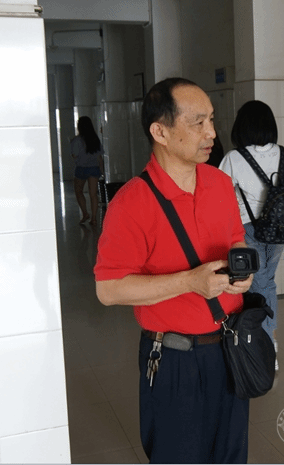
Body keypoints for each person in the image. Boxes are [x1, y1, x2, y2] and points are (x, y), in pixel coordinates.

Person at [94, 77, 253, 463]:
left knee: (231, 455)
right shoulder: (131, 202)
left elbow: (235, 237)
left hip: (230, 349)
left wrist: (241, 266)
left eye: (211, 120)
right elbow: (109, 289)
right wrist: (189, 282)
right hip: (173, 359)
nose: (211, 133)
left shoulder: (220, 183)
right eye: (198, 122)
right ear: (160, 132)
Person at [218, 100, 284, 365]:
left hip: (247, 229)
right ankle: (262, 342)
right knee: (265, 282)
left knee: (260, 284)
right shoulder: (283, 155)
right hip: (278, 230)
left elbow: (221, 197)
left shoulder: (234, 158)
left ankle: (267, 347)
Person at [70, 116, 104, 225]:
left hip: (81, 168)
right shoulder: (95, 139)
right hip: (94, 168)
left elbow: (74, 155)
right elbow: (99, 157)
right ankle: (94, 219)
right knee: (93, 194)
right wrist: (102, 170)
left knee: (78, 191)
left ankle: (85, 213)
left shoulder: (76, 140)